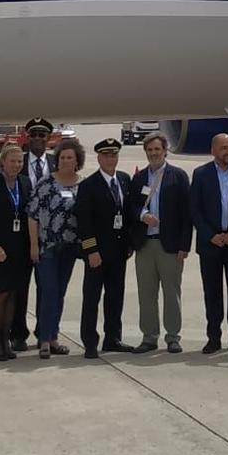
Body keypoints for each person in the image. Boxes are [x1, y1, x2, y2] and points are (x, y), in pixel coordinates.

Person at [189, 131, 228, 353]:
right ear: (213, 151)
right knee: (212, 292)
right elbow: (194, 210)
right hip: (211, 243)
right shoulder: (201, 174)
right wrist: (210, 235)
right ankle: (213, 336)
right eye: (225, 148)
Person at [129, 131, 190, 354]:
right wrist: (142, 216)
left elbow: (186, 213)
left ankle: (173, 336)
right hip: (145, 244)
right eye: (150, 150)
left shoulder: (178, 176)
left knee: (171, 293)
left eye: (157, 149)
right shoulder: (139, 177)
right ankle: (149, 336)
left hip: (170, 245)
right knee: (147, 294)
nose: (154, 153)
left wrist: (185, 245)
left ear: (165, 151)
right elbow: (132, 206)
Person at [75, 137, 133, 359]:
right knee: (91, 298)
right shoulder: (89, 186)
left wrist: (129, 244)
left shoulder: (125, 180)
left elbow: (126, 216)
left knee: (115, 297)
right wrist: (91, 251)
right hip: (97, 254)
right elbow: (84, 221)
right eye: (106, 155)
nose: (110, 159)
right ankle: (90, 342)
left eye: (114, 155)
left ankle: (112, 338)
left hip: (119, 252)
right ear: (99, 158)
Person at [29, 138, 83, 361]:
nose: (66, 161)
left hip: (69, 248)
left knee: (59, 292)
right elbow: (32, 216)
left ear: (77, 161)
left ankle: (52, 337)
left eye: (70, 157)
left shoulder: (82, 184)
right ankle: (43, 339)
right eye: (62, 157)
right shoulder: (45, 184)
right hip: (47, 247)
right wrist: (33, 245)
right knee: (49, 290)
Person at [0, 143, 33, 360]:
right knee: (1, 294)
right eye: (12, 161)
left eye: (20, 161)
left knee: (13, 294)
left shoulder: (25, 183)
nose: (16, 165)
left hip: (19, 248)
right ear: (3, 162)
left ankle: (6, 340)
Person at [10, 118, 56, 352]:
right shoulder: (17, 161)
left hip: (49, 237)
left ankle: (44, 333)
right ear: (27, 137)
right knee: (20, 287)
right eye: (34, 135)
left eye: (42, 135)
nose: (38, 139)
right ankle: (18, 333)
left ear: (49, 138)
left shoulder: (56, 162)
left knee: (47, 287)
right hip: (21, 237)